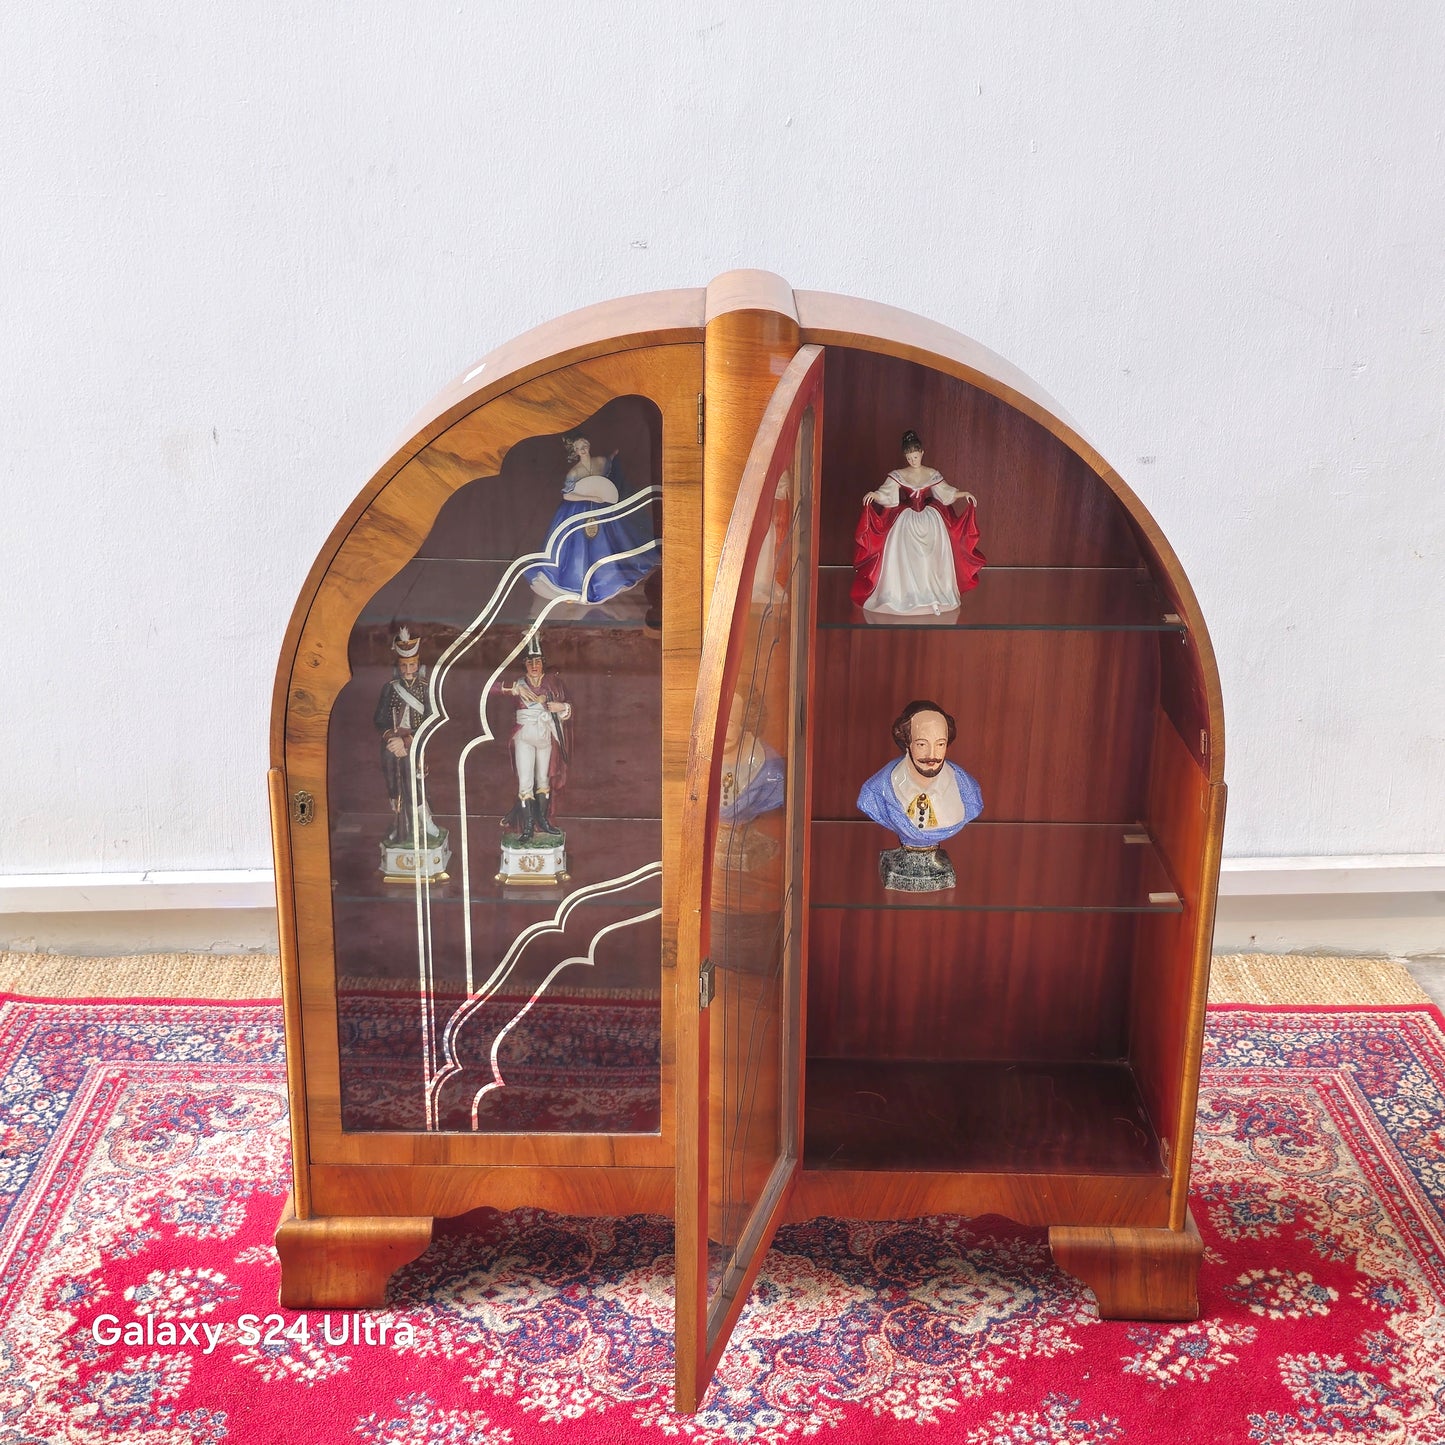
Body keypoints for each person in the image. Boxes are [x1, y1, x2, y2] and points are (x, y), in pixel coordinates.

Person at [851, 430, 985, 615]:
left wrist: (964, 494)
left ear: (922, 453)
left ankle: (933, 593)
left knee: (932, 557)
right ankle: (905, 594)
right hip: (905, 521)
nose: (913, 461)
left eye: (915, 456)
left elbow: (945, 492)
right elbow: (887, 492)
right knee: (904, 557)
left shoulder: (932, 473)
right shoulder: (898, 474)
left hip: (930, 520)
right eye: (909, 457)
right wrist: (876, 495)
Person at [856, 700, 983, 891]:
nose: (932, 755)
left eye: (940, 744)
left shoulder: (967, 791)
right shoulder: (877, 791)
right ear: (906, 742)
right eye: (922, 744)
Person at [526, 436, 658, 603]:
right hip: (578, 510)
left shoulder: (601, 462)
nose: (583, 450)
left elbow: (610, 468)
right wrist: (591, 497)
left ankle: (609, 574)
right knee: (577, 545)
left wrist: (612, 458)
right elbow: (567, 495)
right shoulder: (574, 472)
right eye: (579, 448)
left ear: (589, 446)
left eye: (585, 446)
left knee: (609, 540)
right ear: (575, 452)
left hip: (602, 505)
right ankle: (578, 581)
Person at [491, 634, 573, 843]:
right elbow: (489, 688)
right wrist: (513, 689)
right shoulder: (519, 684)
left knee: (543, 780)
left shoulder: (552, 684)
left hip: (545, 736)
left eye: (537, 662)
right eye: (530, 662)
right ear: (525, 665)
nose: (534, 666)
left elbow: (568, 708)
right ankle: (528, 827)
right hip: (524, 736)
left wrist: (559, 707)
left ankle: (542, 822)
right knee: (525, 783)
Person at [373, 627, 447, 847]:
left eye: (411, 665)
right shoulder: (390, 688)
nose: (407, 669)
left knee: (415, 785)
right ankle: (400, 825)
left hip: (417, 744)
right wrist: (391, 739)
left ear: (418, 665)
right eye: (403, 665)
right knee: (394, 787)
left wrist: (406, 741)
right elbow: (378, 719)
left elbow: (433, 719)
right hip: (392, 745)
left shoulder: (426, 688)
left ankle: (426, 823)